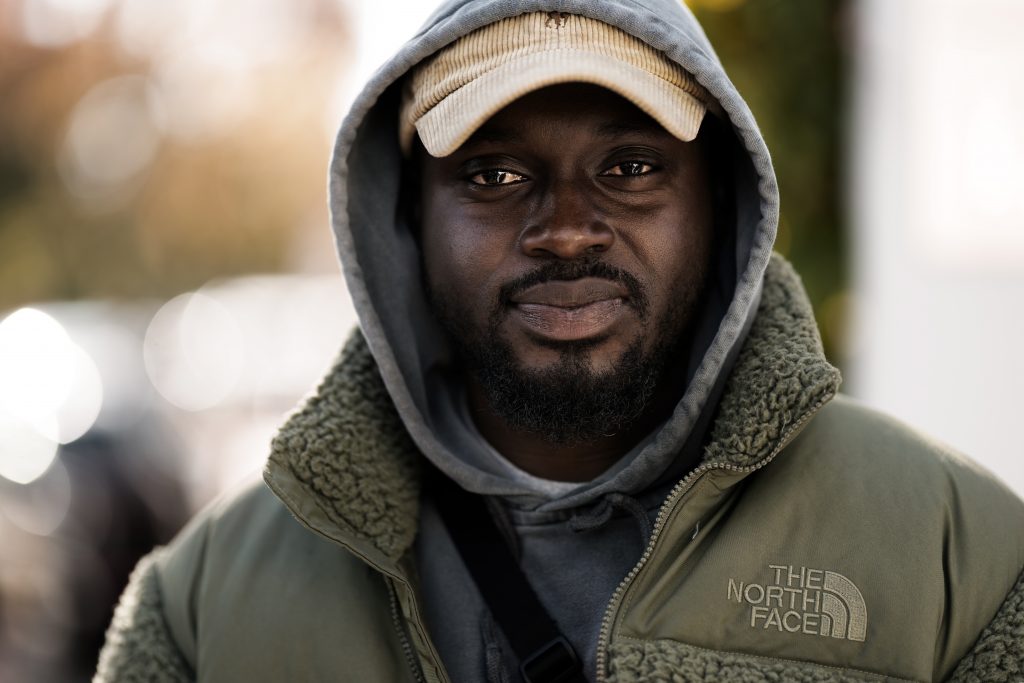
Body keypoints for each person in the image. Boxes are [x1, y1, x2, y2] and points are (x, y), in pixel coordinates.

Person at [95, 1, 1024, 681]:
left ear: (720, 207)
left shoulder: (965, 566)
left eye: (632, 167)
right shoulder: (200, 611)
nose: (569, 229)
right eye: (494, 175)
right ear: (406, 223)